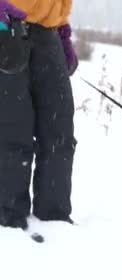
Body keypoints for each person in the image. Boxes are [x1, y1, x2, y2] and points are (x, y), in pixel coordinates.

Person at [0, 0, 78, 230]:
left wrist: (62, 30)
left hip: (47, 34)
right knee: (13, 129)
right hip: (7, 26)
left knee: (59, 131)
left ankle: (55, 217)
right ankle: (8, 217)